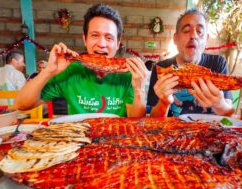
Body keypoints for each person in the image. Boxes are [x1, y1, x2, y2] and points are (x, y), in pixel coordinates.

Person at [15, 3, 148, 117]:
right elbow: (21, 104)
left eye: (109, 38)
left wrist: (139, 89)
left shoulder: (129, 75)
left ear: (118, 44)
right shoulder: (71, 71)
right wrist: (49, 71)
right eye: (95, 35)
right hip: (79, 138)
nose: (102, 44)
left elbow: (136, 121)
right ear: (85, 39)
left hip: (114, 140)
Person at [147, 9, 235, 117]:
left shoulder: (217, 64)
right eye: (186, 30)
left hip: (210, 132)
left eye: (199, 32)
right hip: (172, 132)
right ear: (175, 38)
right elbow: (152, 120)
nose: (193, 35)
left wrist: (219, 104)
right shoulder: (161, 68)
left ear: (206, 39)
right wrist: (164, 102)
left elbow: (230, 114)